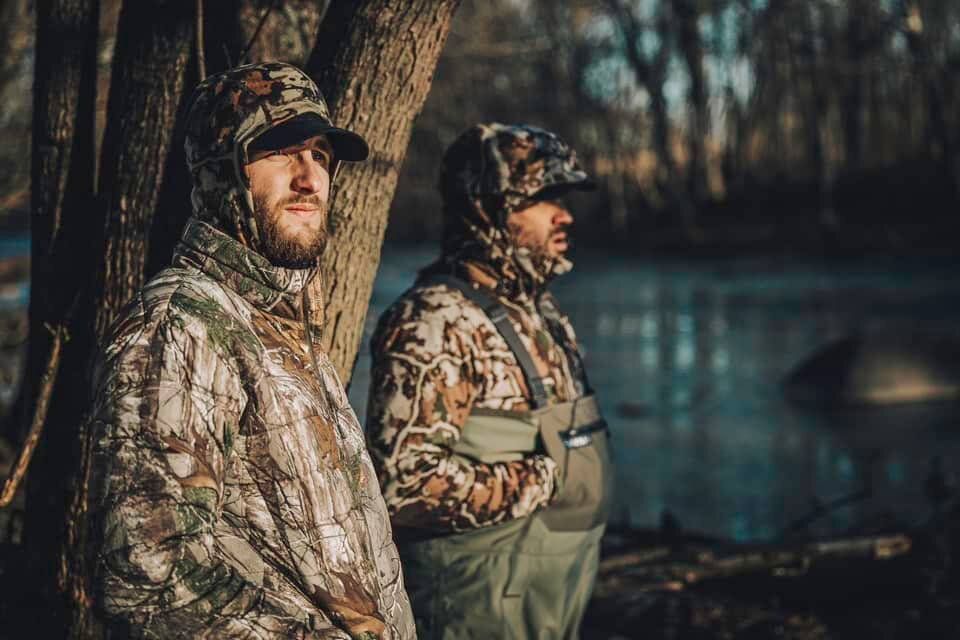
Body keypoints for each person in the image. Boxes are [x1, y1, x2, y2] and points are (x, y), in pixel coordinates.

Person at [86, 62, 414, 639]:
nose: (310, 178)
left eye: (319, 154)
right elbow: (146, 576)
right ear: (221, 173)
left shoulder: (282, 323)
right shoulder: (182, 325)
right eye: (281, 152)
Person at [365, 123, 614, 638]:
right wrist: (544, 480)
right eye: (544, 198)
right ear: (489, 207)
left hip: (548, 601)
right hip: (473, 613)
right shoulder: (434, 320)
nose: (564, 215)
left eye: (563, 197)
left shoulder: (538, 310)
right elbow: (402, 487)